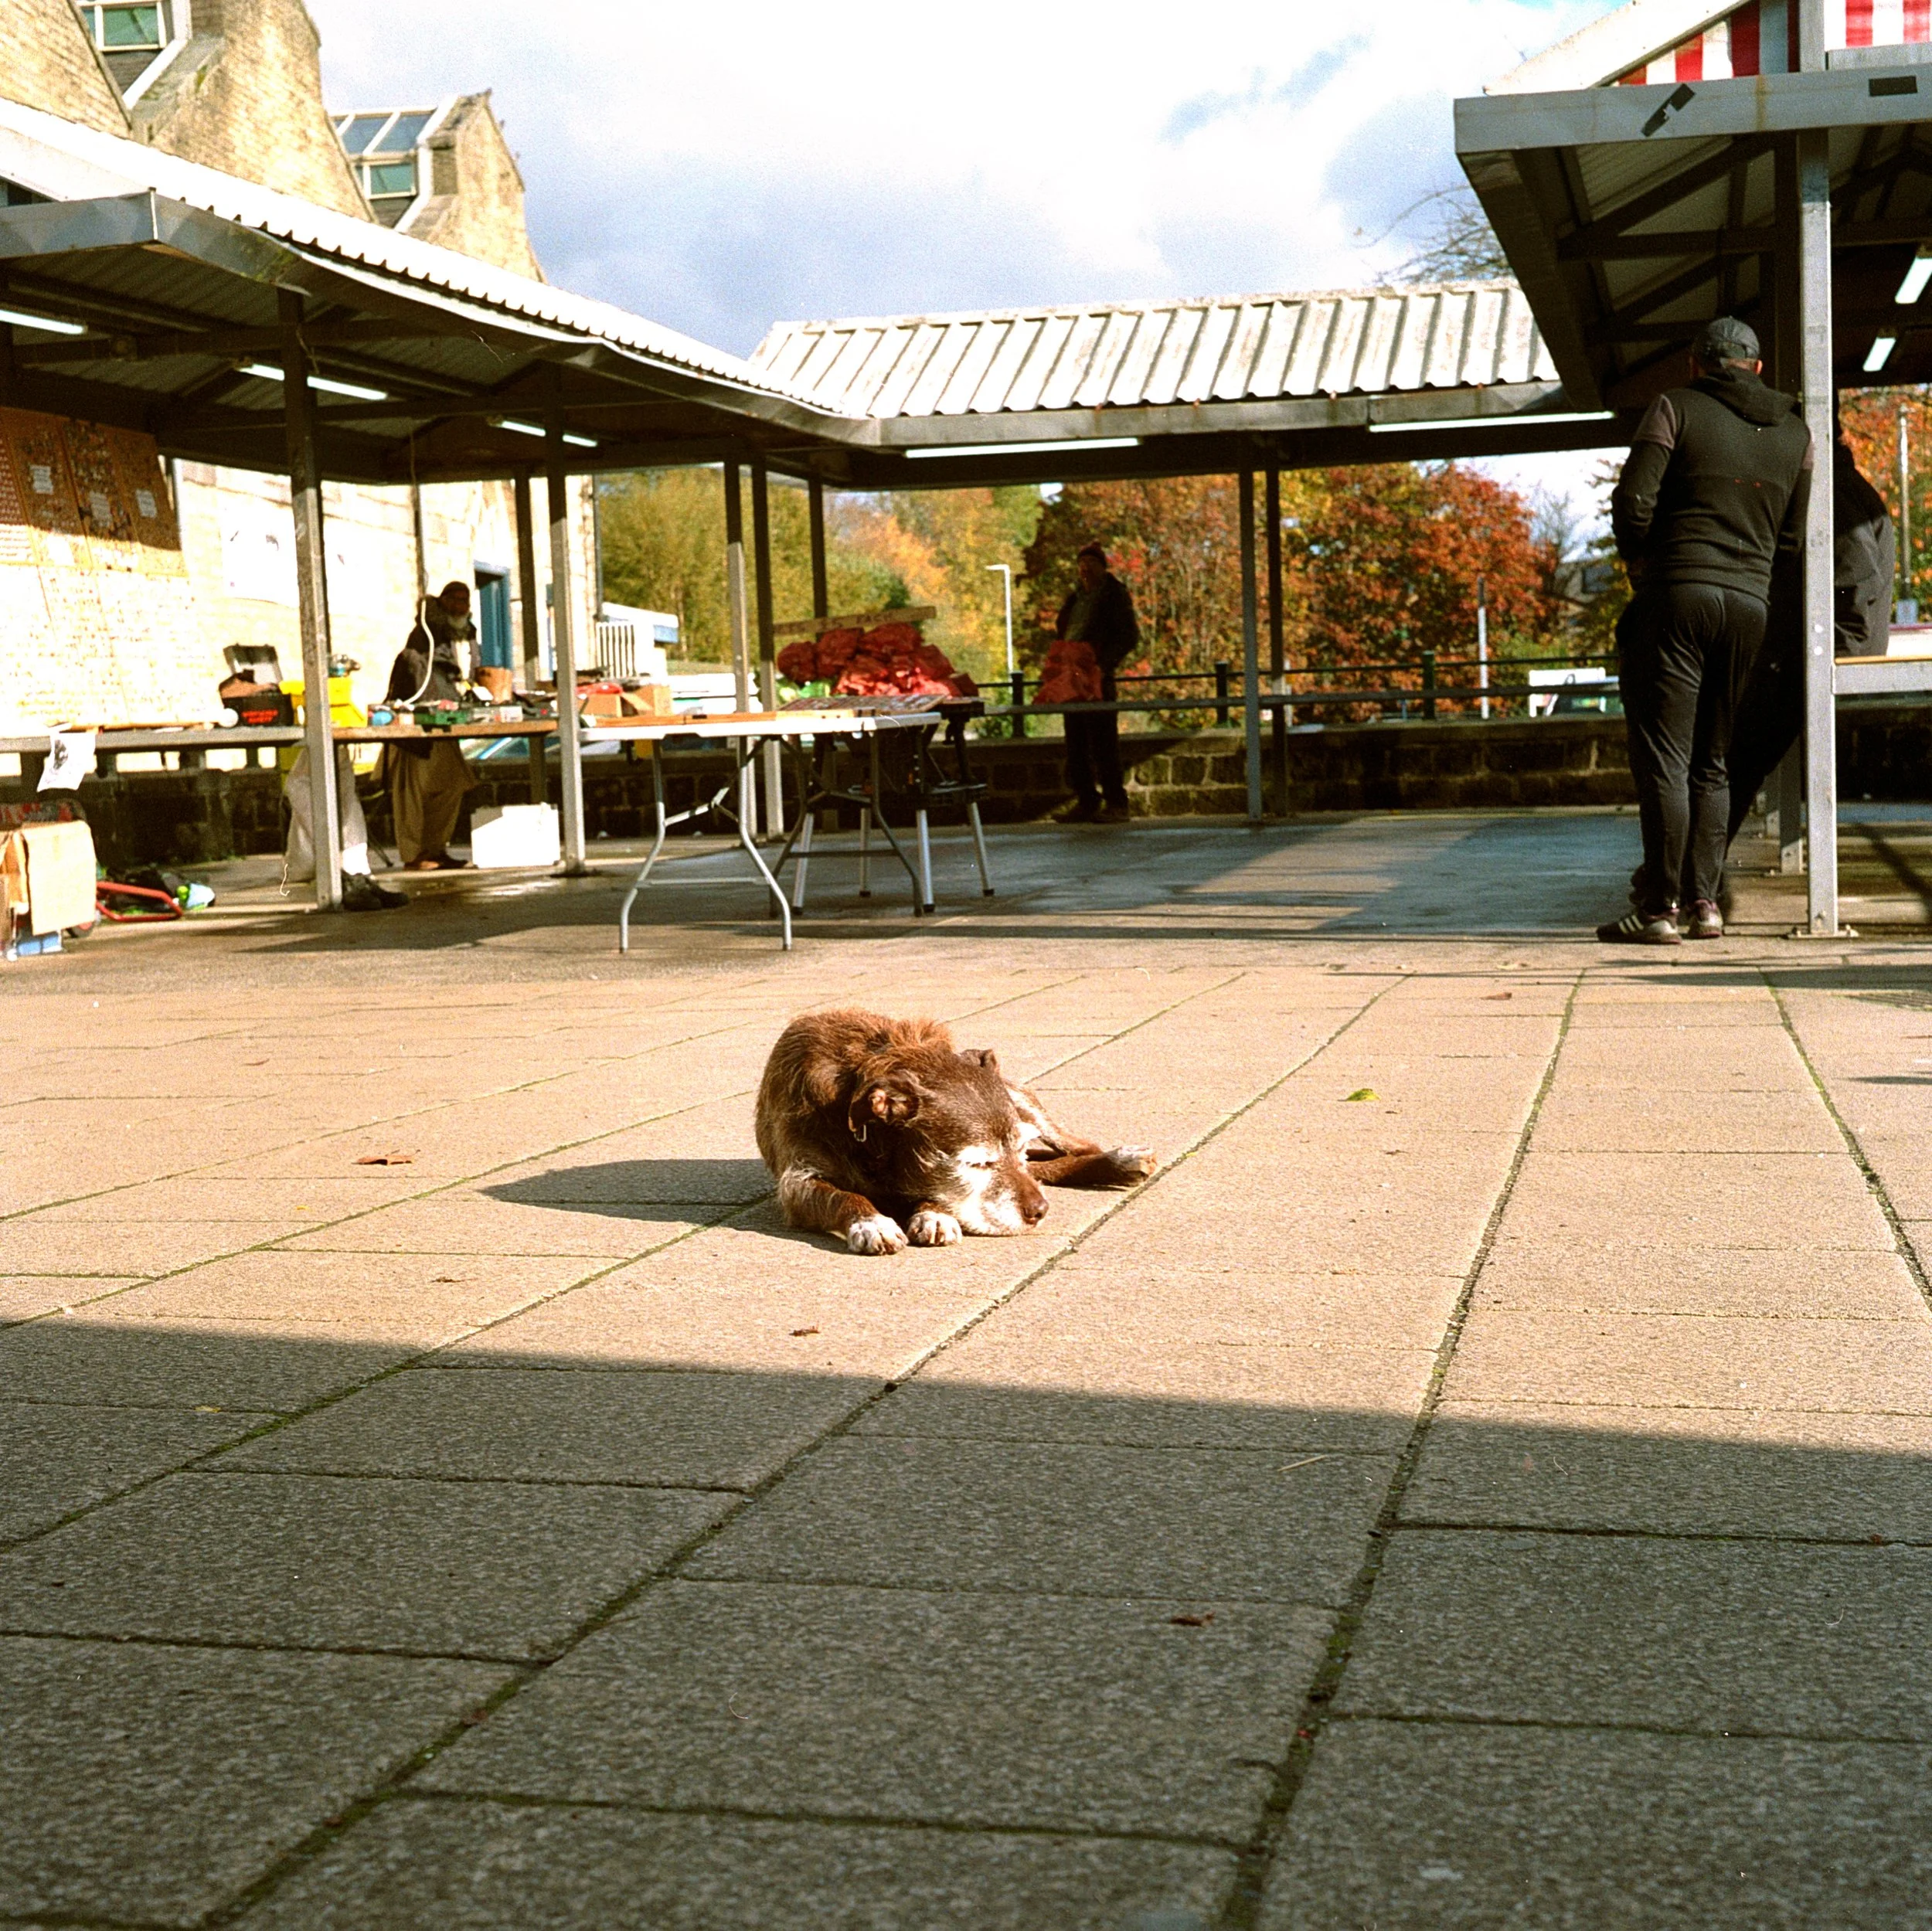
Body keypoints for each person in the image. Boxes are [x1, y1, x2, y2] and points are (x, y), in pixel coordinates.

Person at [1600, 316, 1813, 944]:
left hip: (1678, 593)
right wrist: (1750, 580)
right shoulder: (1798, 434)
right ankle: (1705, 904)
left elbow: (1633, 501)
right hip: (1749, 603)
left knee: (1666, 757)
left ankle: (1661, 908)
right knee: (1713, 761)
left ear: (1696, 365)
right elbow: (1794, 540)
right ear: (1756, 368)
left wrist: (1642, 562)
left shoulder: (1675, 408)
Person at [1720, 424, 1895, 854]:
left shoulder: (1832, 490)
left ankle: (1692, 868)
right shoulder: (1840, 484)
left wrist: (1818, 644)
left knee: (1741, 746)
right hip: (1832, 640)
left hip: (1834, 645)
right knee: (1741, 744)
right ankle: (1694, 864)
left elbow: (1857, 574)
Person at [380, 580, 479, 870]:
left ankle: (436, 848)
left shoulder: (466, 635)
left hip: (446, 729)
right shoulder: (426, 636)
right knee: (412, 793)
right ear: (444, 601)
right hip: (417, 732)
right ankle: (414, 855)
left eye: (466, 600)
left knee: (451, 785)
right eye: (456, 599)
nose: (462, 606)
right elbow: (422, 677)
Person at [1051, 542, 1139, 824]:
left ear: (1103, 567)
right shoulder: (1076, 598)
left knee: (1103, 742)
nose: (1085, 569)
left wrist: (1103, 665)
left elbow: (1128, 635)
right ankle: (1087, 799)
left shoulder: (1113, 596)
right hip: (1072, 676)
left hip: (1097, 675)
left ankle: (1116, 801)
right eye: (1081, 563)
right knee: (1075, 742)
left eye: (1090, 563)